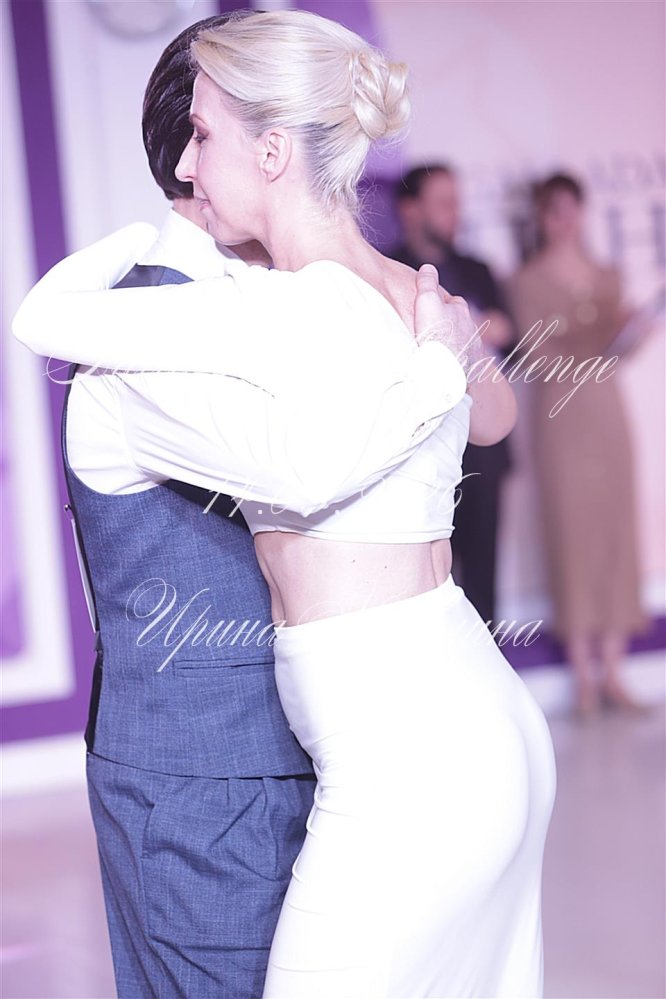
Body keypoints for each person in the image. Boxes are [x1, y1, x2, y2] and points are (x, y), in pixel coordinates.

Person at [14, 10, 557, 997]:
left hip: (401, 753)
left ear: (271, 150)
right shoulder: (406, 289)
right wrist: (445, 354)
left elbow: (45, 319)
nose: (187, 167)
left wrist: (437, 369)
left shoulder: (275, 308)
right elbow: (496, 417)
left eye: (203, 136)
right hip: (482, 714)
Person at [58, 15, 317, 999]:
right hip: (205, 779)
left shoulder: (267, 303)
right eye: (274, 133)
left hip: (282, 758)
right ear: (199, 151)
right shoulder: (147, 330)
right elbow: (310, 472)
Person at [507, 172, 650, 717]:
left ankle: (613, 670)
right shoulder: (526, 280)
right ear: (541, 218)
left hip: (607, 411)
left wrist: (631, 332)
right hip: (562, 415)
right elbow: (538, 355)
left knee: (615, 531)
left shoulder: (607, 274)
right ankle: (584, 678)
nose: (564, 221)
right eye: (554, 211)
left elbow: (619, 349)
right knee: (572, 534)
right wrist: (591, 344)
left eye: (572, 209)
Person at [390, 163, 514, 628]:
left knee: (483, 568)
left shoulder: (477, 270)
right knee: (422, 574)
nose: (454, 213)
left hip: (483, 444)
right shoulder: (389, 269)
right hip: (415, 444)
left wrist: (488, 329)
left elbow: (515, 342)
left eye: (457, 202)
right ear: (410, 209)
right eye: (443, 202)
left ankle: (492, 659)